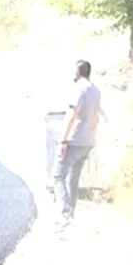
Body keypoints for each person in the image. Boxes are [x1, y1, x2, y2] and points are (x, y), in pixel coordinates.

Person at [52, 59, 105, 227]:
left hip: (74, 139)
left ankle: (65, 215)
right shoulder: (96, 91)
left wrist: (63, 140)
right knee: (73, 179)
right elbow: (97, 117)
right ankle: (71, 215)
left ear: (79, 72)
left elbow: (71, 115)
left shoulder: (80, 90)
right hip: (87, 141)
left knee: (58, 176)